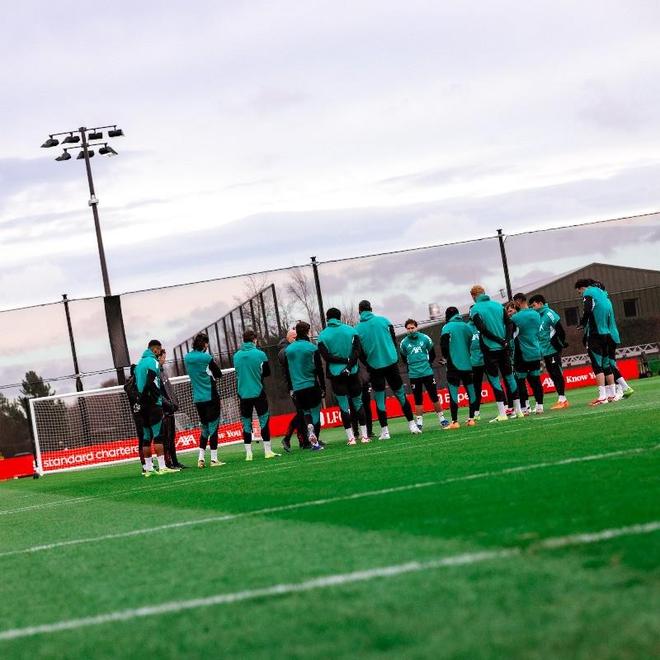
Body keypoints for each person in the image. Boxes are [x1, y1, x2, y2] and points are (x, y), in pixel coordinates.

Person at [354, 300, 420, 439]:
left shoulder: (357, 329)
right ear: (371, 309)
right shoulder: (384, 320)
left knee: (379, 400)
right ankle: (412, 425)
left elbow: (359, 352)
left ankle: (385, 432)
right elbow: (393, 339)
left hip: (374, 367)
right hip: (391, 363)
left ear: (359, 312)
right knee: (401, 395)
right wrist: (392, 355)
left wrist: (368, 363)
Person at [468, 285, 523, 422]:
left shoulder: (475, 309)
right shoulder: (498, 305)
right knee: (509, 378)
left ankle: (502, 414)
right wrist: (506, 340)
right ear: (484, 293)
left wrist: (499, 340)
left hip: (489, 349)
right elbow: (509, 323)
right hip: (504, 348)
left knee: (494, 379)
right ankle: (519, 411)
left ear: (473, 296)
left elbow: (482, 329)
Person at [318, 308, 370, 445]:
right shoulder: (352, 331)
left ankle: (351, 438)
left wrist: (342, 362)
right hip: (352, 372)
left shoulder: (322, 335)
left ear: (327, 318)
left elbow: (327, 357)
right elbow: (357, 352)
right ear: (339, 317)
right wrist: (348, 365)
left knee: (343, 407)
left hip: (336, 375)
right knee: (358, 403)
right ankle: (365, 437)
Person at [233, 329, 280, 461]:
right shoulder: (260, 354)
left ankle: (249, 454)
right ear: (254, 340)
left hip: (243, 394)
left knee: (246, 424)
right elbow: (267, 372)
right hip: (258, 392)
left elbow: (238, 372)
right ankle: (267, 451)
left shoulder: (236, 356)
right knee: (263, 421)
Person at [135, 339, 178, 476]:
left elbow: (138, 384)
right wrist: (150, 396)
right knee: (158, 435)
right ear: (155, 349)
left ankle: (148, 468)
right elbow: (151, 379)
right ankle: (162, 466)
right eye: (159, 350)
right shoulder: (153, 362)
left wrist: (140, 399)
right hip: (153, 403)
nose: (159, 353)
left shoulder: (139, 364)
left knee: (146, 437)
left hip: (143, 405)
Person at [184, 332, 226, 467]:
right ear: (205, 344)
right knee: (213, 428)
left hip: (198, 399)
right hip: (210, 396)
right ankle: (214, 459)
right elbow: (218, 374)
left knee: (204, 429)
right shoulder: (206, 357)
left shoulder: (187, 358)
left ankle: (201, 458)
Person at [399, 318, 449, 431]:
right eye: (408, 328)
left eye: (412, 328)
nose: (411, 330)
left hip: (427, 373)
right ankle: (419, 424)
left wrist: (427, 365)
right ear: (406, 329)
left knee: (434, 397)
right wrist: (413, 367)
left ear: (416, 327)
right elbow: (404, 359)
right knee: (418, 400)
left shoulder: (425, 338)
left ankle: (442, 420)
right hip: (414, 375)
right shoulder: (403, 343)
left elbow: (432, 354)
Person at [283, 321, 325, 450]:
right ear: (307, 332)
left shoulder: (288, 350)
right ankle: (315, 443)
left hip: (297, 388)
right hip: (311, 384)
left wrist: (291, 388)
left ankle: (309, 430)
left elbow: (287, 371)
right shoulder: (312, 348)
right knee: (315, 414)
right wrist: (323, 387)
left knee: (306, 412)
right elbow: (319, 368)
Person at [575, 278, 617, 406]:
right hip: (606, 333)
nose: (580, 294)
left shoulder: (589, 293)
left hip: (595, 334)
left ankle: (602, 396)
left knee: (597, 365)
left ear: (582, 287)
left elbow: (587, 309)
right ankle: (612, 394)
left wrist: (582, 323)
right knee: (606, 364)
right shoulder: (602, 293)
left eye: (579, 292)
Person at [528, 293, 570, 409]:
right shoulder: (537, 316)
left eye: (534, 305)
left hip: (552, 349)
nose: (532, 308)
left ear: (540, 303)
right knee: (552, 374)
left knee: (556, 373)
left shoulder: (549, 313)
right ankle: (561, 398)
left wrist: (559, 344)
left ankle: (563, 399)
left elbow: (560, 329)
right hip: (544, 350)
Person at [595, 281, 634, 400]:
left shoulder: (601, 301)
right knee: (609, 364)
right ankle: (621, 389)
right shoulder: (606, 299)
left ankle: (624, 388)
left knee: (609, 364)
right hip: (611, 334)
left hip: (609, 335)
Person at [439, 307, 477, 428]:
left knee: (454, 394)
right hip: (467, 364)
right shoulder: (467, 327)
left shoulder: (447, 327)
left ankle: (455, 422)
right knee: (471, 392)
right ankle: (471, 419)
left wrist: (446, 358)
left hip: (453, 365)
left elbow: (444, 346)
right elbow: (469, 343)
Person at [510, 294, 545, 414]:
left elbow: (511, 334)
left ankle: (524, 408)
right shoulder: (536, 314)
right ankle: (540, 406)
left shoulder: (515, 318)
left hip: (522, 352)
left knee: (520, 381)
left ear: (518, 301)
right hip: (535, 351)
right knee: (536, 380)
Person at [278, 329, 310, 451]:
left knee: (302, 412)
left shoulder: (289, 349)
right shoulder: (284, 351)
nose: (297, 340)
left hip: (298, 384)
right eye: (295, 338)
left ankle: (304, 440)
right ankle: (288, 438)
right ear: (289, 338)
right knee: (301, 412)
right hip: (294, 386)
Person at [158, 349, 185, 469]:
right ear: (159, 357)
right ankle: (167, 463)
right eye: (163, 357)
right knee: (166, 438)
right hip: (164, 411)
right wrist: (168, 404)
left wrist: (174, 402)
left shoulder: (163, 371)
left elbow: (169, 390)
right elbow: (159, 394)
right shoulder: (156, 373)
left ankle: (174, 461)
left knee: (172, 437)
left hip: (170, 409)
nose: (164, 360)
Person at [467, 317, 484, 420]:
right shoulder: (466, 327)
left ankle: (506, 407)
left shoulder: (484, 324)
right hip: (474, 363)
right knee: (476, 388)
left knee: (495, 384)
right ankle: (476, 412)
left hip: (487, 360)